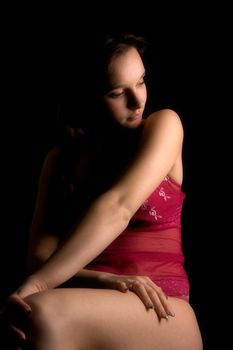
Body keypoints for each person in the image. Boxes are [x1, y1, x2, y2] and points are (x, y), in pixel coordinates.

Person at [1, 32, 203, 349]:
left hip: (162, 306)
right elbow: (40, 256)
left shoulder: (164, 125)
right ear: (88, 97)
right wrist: (105, 279)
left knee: (39, 311)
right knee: (28, 321)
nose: (137, 101)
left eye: (141, 82)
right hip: (94, 298)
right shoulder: (62, 160)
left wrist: (36, 285)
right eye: (116, 92)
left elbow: (119, 206)